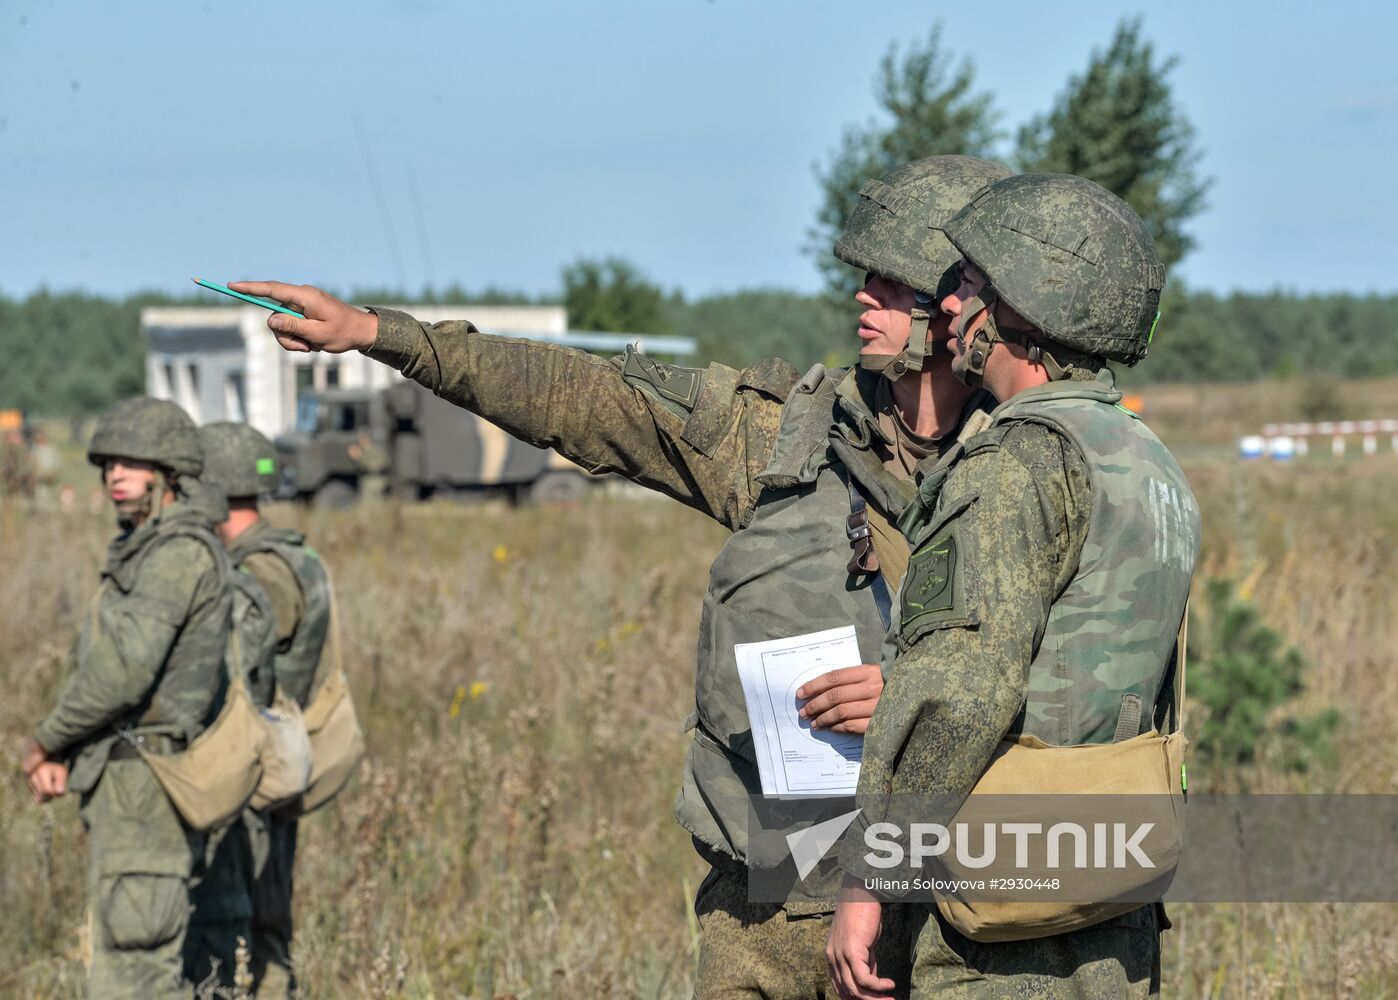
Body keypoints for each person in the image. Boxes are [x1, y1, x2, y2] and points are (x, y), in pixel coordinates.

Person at [229, 154, 1010, 999]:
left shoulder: (1038, 468)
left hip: (952, 905)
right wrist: (381, 335)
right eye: (863, 275)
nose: (862, 295)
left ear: (961, 304)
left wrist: (914, 695)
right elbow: (587, 396)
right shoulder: (786, 436)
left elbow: (1091, 683)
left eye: (891, 281)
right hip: (772, 903)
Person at [827, 173, 1201, 999]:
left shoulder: (1018, 461)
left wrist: (870, 878)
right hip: (1115, 892)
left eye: (967, 283)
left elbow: (957, 691)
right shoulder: (1147, 460)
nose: (949, 306)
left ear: (1022, 308)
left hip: (1006, 922)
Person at [19, 397, 232, 999]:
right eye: (108, 461)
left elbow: (121, 674)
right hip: (131, 780)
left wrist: (46, 740)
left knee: (133, 981)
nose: (114, 473)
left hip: (147, 789)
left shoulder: (175, 554)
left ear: (169, 474)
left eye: (131, 462)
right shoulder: (154, 549)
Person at [196, 420, 333, 998]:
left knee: (240, 933)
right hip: (283, 759)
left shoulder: (259, 571)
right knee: (268, 925)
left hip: (256, 769)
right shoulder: (293, 556)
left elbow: (249, 675)